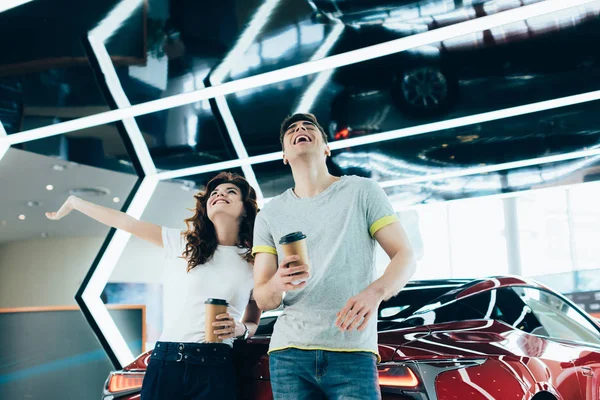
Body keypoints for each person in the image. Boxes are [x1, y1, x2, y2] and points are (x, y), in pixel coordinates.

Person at [46, 172, 261, 400]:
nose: (220, 195)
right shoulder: (184, 244)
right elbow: (126, 222)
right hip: (166, 361)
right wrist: (75, 202)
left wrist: (241, 330)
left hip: (215, 364)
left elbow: (254, 319)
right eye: (214, 193)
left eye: (231, 192)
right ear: (206, 208)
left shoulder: (255, 261)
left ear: (245, 208)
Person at [252, 113, 416, 400]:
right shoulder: (269, 214)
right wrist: (277, 282)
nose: (300, 129)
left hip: (352, 351)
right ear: (284, 156)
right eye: (292, 129)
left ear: (327, 148)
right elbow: (264, 298)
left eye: (308, 127)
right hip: (289, 354)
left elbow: (405, 255)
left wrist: (374, 293)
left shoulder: (362, 191)